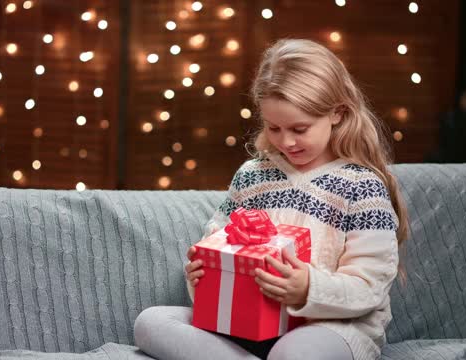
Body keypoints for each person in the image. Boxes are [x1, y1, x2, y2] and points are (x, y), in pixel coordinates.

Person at [133, 38, 409, 360]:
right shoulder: (253, 175)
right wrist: (202, 273)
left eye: (299, 128)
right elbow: (219, 239)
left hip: (332, 327)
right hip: (247, 323)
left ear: (337, 113)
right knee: (151, 322)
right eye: (274, 128)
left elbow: (370, 287)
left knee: (292, 354)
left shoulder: (362, 186)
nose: (286, 141)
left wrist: (307, 288)